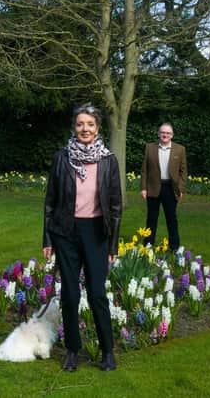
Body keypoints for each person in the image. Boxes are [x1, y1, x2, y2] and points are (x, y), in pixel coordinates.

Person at [42, 103, 122, 372]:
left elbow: (115, 206)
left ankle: (107, 352)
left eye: (89, 124)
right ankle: (72, 351)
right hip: (66, 232)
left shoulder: (108, 161)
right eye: (80, 124)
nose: (84, 129)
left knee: (98, 294)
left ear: (97, 127)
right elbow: (50, 202)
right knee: (70, 295)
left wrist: (113, 244)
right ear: (74, 127)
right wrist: (48, 239)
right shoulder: (61, 158)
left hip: (97, 233)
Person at [141, 122, 187, 252]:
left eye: (167, 133)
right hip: (153, 187)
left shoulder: (180, 149)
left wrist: (180, 188)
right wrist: (143, 188)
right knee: (151, 218)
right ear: (158, 134)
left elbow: (183, 171)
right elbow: (144, 170)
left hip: (170, 188)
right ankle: (148, 246)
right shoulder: (149, 147)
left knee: (171, 218)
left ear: (172, 135)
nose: (165, 135)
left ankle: (175, 247)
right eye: (162, 132)